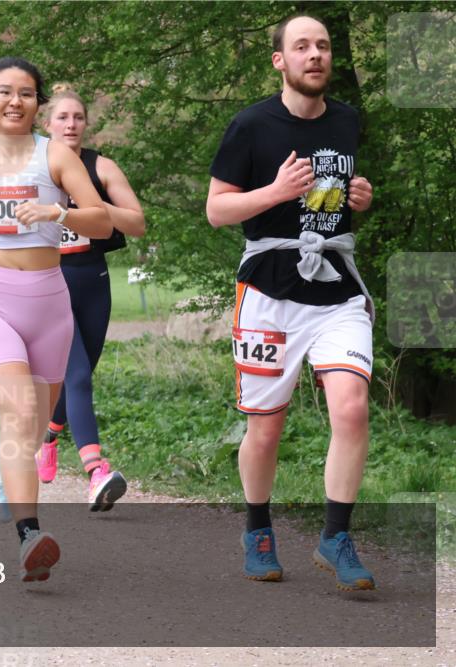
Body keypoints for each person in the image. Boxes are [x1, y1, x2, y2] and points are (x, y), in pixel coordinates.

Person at [206, 14, 376, 591]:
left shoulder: (348, 121)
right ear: (279, 59)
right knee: (266, 429)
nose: (315, 55)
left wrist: (361, 198)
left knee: (351, 407)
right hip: (268, 289)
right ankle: (258, 529)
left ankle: (336, 535)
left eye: (323, 46)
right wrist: (275, 192)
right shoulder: (251, 125)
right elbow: (217, 210)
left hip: (334, 286)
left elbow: (337, 203)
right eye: (301, 46)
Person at [0, 57, 111, 582]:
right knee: (17, 415)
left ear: (37, 105)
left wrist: (59, 213)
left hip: (49, 303)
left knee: (30, 435)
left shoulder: (54, 155)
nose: (16, 101)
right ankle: (29, 537)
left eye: (28, 94)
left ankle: (1, 462)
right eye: (5, 92)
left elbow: (100, 219)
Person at [37, 85, 146, 511]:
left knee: (78, 375)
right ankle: (96, 471)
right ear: (47, 124)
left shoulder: (100, 166)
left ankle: (49, 437)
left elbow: (137, 223)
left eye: (78, 117)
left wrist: (93, 208)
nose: (71, 124)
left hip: (92, 281)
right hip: (48, 283)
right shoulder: (34, 166)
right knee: (77, 376)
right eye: (62, 117)